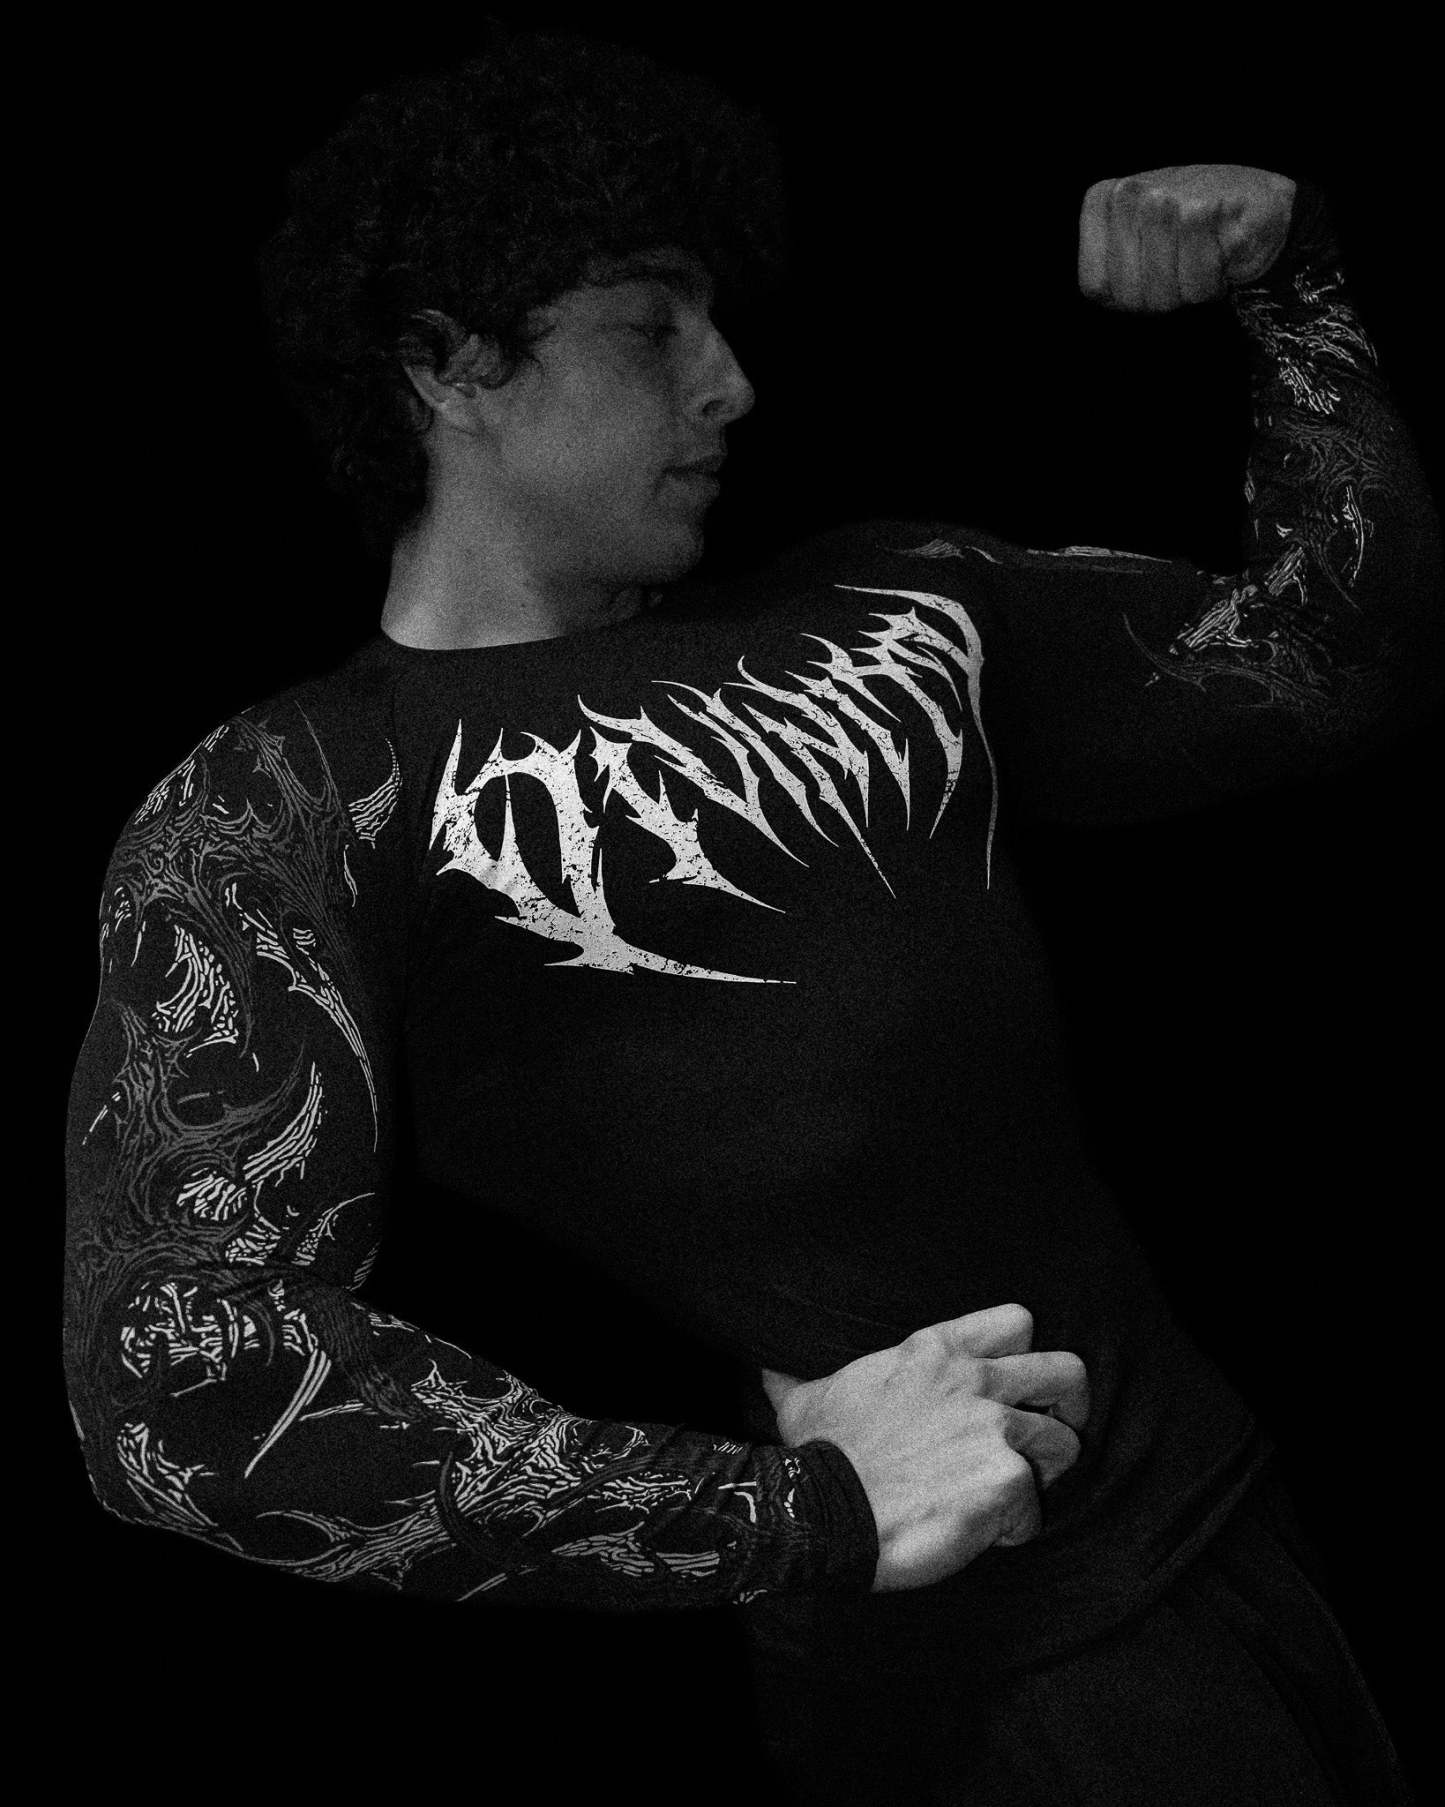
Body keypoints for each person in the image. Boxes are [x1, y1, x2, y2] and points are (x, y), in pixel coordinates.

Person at [62, 23, 1437, 1803]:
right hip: (975, 1687)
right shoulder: (294, 802)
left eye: (716, 321)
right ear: (445, 365)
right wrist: (789, 1513)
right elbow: (176, 1381)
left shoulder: (895, 608)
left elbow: (1329, 658)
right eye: (650, 327)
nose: (729, 387)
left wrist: (1294, 280)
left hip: (1244, 1539)